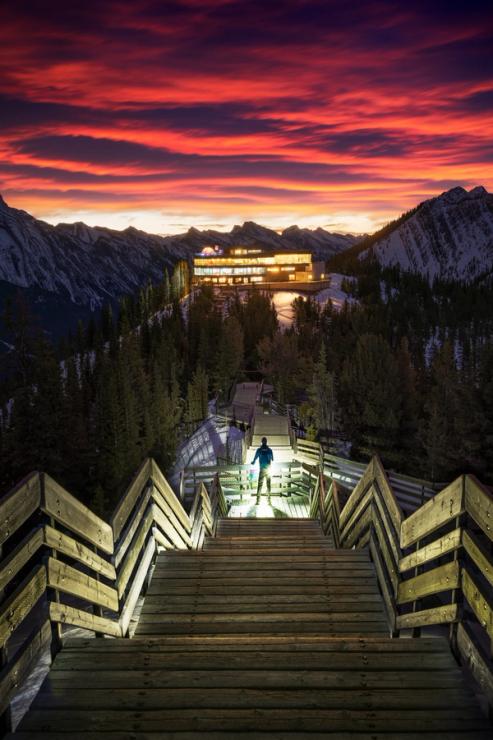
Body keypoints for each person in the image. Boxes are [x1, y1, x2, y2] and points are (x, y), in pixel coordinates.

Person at [251, 437, 274, 504]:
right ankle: (269, 499)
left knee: (260, 484)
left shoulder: (259, 450)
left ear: (261, 442)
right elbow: (272, 459)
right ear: (266, 442)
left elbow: (254, 459)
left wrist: (253, 462)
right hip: (268, 470)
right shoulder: (269, 450)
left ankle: (258, 500)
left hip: (261, 469)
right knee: (268, 484)